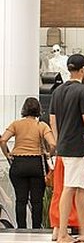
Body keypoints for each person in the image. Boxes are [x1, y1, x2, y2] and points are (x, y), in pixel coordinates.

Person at [50, 54, 84, 243]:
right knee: (70, 188)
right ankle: (63, 234)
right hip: (77, 147)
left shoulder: (58, 91)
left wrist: (58, 140)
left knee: (81, 187)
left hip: (64, 145)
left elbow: (52, 120)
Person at [0, 98, 56, 229]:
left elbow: (3, 140)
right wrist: (49, 153)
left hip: (18, 164)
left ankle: (21, 229)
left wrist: (7, 154)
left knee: (21, 200)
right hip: (36, 164)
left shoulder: (16, 124)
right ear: (38, 110)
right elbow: (53, 143)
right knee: (37, 201)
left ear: (24, 109)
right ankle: (36, 228)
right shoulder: (41, 126)